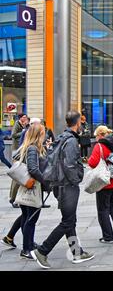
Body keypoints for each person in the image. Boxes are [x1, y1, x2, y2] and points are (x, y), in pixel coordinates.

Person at [31, 111, 95, 269]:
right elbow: (70, 165)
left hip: (60, 185)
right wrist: (78, 178)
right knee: (67, 222)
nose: (81, 125)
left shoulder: (61, 137)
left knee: (70, 220)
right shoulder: (71, 141)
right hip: (67, 186)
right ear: (77, 122)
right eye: (80, 122)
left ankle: (77, 252)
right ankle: (42, 251)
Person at [88, 126, 113, 243]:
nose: (96, 139)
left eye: (96, 136)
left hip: (106, 183)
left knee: (103, 209)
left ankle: (108, 236)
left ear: (100, 135)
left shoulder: (100, 146)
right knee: (112, 204)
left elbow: (92, 162)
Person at [15, 123, 49, 259]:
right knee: (31, 219)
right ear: (39, 134)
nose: (45, 134)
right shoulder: (33, 149)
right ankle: (26, 249)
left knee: (26, 217)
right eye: (43, 132)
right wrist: (45, 181)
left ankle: (29, 243)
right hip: (33, 188)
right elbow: (33, 169)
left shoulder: (29, 147)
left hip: (27, 187)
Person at [9, 113, 29, 208]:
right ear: (20, 118)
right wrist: (24, 131)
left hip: (21, 151)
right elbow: (13, 135)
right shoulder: (17, 124)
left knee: (17, 176)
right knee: (17, 176)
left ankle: (14, 198)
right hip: (17, 151)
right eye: (24, 117)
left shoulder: (24, 125)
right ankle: (12, 198)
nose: (25, 118)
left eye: (26, 117)